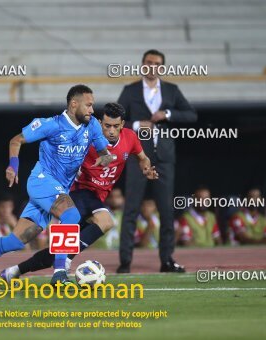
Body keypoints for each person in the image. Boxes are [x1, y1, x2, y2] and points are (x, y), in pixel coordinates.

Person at [0, 85, 115, 285]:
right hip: (42, 182)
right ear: (74, 104)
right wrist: (12, 166)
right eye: (89, 105)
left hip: (58, 190)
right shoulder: (51, 124)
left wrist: (105, 158)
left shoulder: (91, 124)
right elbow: (16, 141)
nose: (92, 110)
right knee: (71, 215)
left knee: (14, 241)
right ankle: (59, 273)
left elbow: (104, 151)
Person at [0, 102, 157, 282]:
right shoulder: (86, 137)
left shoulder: (130, 138)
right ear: (99, 122)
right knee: (105, 221)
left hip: (97, 197)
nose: (111, 131)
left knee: (57, 251)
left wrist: (147, 169)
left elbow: (143, 158)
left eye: (115, 126)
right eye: (106, 126)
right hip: (77, 192)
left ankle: (14, 271)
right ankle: (66, 260)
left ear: (122, 125)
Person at [117, 49, 197, 273]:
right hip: (138, 157)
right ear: (142, 65)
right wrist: (135, 125)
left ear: (162, 67)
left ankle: (167, 260)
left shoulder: (171, 90)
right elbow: (113, 119)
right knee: (131, 208)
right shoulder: (130, 90)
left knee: (166, 209)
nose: (152, 66)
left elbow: (191, 115)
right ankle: (125, 261)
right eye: (149, 62)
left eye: (157, 63)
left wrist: (168, 115)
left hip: (164, 158)